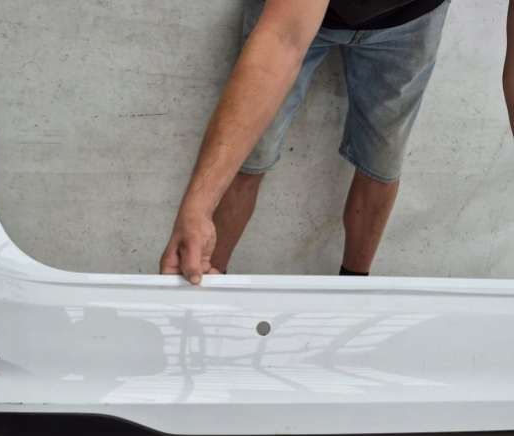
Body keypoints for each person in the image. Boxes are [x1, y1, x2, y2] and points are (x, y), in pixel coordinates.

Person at [160, 0, 514, 283]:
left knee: (382, 161)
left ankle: (355, 289)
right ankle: (208, 280)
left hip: (411, 19)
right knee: (248, 159)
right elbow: (283, 39)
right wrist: (197, 208)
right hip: (289, 15)